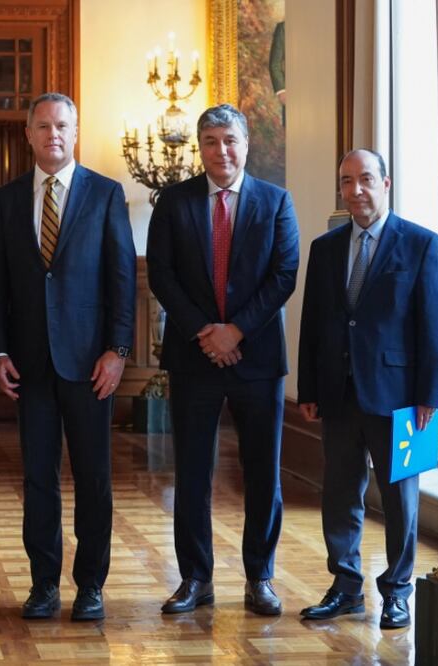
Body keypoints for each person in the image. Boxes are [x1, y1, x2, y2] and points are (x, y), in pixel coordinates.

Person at [0, 92, 136, 621]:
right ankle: (43, 585)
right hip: (30, 364)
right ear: (28, 134)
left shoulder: (105, 193)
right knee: (38, 479)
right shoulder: (6, 200)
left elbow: (122, 278)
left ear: (75, 133)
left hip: (91, 364)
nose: (53, 134)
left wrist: (118, 351)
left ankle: (91, 585)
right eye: (44, 126)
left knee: (93, 477)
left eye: (62, 126)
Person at [146, 103, 299, 616]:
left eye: (230, 140)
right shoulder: (174, 202)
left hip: (258, 359)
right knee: (191, 472)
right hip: (194, 357)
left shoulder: (276, 202)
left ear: (245, 144)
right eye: (211, 141)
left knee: (263, 473)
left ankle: (260, 577)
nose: (222, 151)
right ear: (200, 147)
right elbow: (161, 274)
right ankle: (195, 578)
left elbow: (284, 274)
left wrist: (236, 330)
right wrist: (205, 332)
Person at [297, 149, 438, 629]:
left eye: (366, 179)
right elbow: (313, 323)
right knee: (340, 494)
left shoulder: (421, 244)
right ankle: (346, 588)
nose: (356, 189)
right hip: (339, 394)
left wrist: (431, 395)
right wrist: (308, 388)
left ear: (386, 184)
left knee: (401, 499)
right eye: (347, 181)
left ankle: (397, 592)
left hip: (402, 399)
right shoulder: (325, 248)